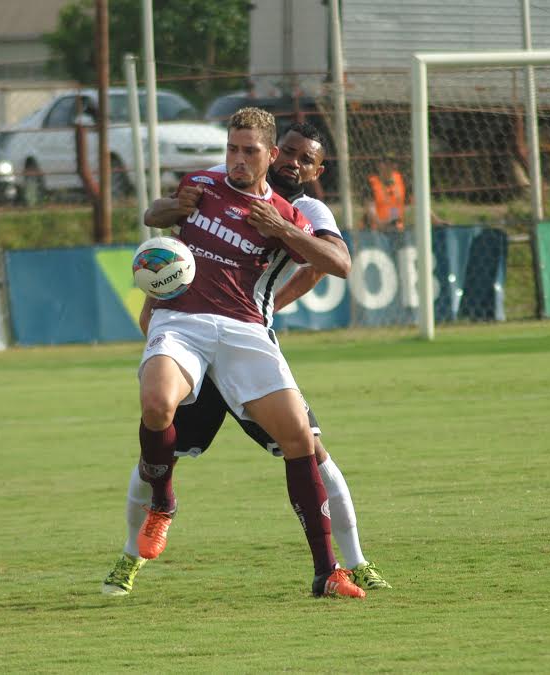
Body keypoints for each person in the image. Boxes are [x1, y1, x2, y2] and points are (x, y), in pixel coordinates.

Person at [103, 122, 391, 597]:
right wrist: (172, 221)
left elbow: (334, 264)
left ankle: (344, 566)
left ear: (316, 169)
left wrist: (275, 296)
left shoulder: (301, 211)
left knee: (308, 445)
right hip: (188, 331)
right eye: (287, 154)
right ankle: (131, 555)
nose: (291, 164)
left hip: (246, 337)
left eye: (304, 158)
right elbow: (162, 220)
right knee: (156, 431)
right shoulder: (213, 180)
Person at [365, 154, 407, 231]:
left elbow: (396, 204)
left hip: (397, 227)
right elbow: (370, 207)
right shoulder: (372, 183)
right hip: (378, 229)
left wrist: (394, 221)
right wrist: (381, 224)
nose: (389, 167)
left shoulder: (400, 179)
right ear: (378, 165)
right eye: (386, 163)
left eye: (392, 164)